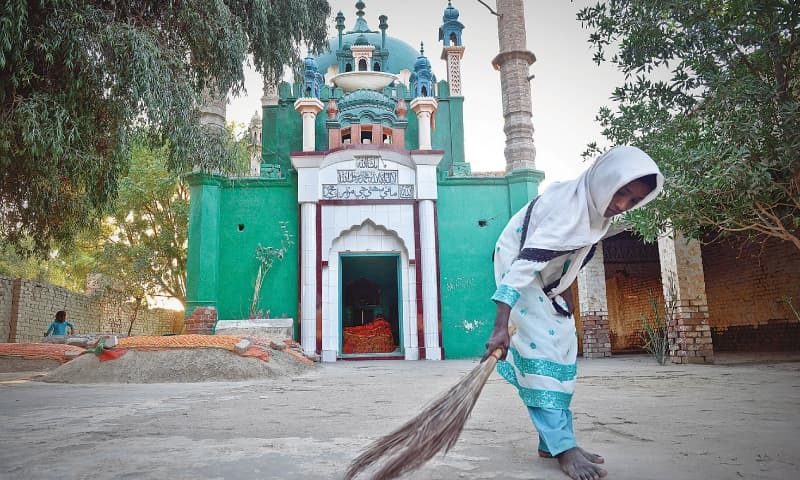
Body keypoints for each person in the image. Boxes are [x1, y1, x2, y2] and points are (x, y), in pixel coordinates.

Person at [483, 146, 664, 480]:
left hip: (544, 277)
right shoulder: (567, 209)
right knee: (541, 351)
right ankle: (563, 448)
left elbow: (570, 259)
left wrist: (562, 297)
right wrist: (501, 326)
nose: (622, 204)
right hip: (517, 264)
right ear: (605, 177)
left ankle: (551, 442)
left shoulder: (596, 211)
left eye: (633, 200)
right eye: (621, 190)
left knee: (564, 344)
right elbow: (523, 267)